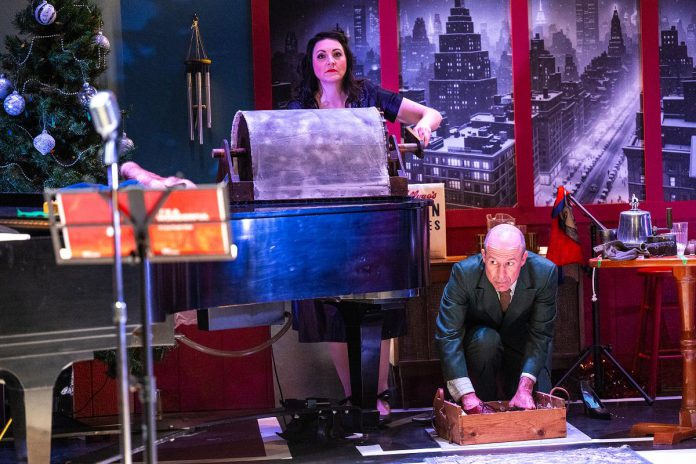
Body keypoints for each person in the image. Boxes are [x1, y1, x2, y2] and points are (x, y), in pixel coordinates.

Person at [288, 30, 442, 421]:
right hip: (323, 218)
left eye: (336, 54)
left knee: (377, 304)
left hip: (373, 215)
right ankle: (352, 397)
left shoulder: (369, 95)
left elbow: (430, 114)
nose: (329, 61)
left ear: (346, 59)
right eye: (320, 55)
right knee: (333, 309)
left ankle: (378, 394)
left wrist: (423, 127)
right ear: (311, 64)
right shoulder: (300, 107)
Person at [435, 224, 558, 414]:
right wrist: (466, 395)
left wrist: (526, 387)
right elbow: (448, 335)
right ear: (483, 256)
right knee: (486, 340)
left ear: (523, 259)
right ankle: (480, 402)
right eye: (493, 262)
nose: (501, 275)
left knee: (538, 410)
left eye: (510, 263)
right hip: (480, 348)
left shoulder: (544, 273)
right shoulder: (463, 273)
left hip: (525, 346)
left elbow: (541, 334)